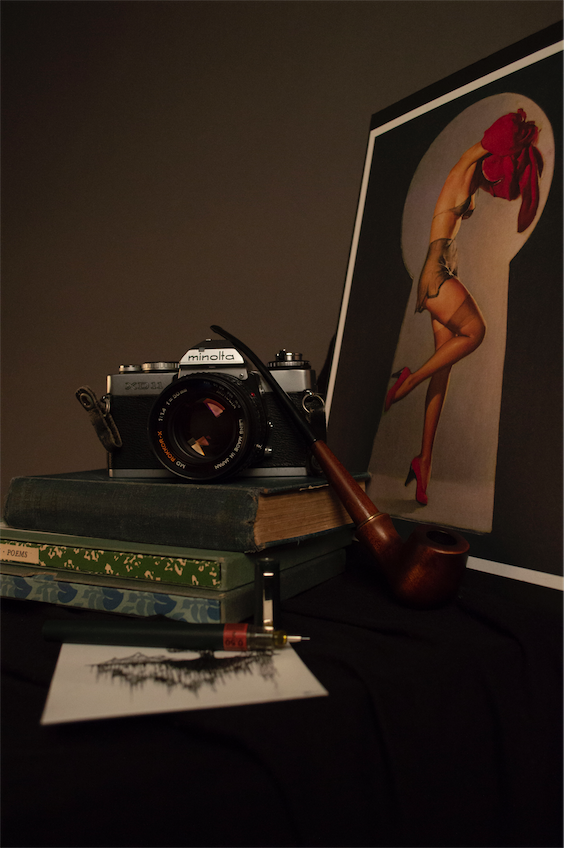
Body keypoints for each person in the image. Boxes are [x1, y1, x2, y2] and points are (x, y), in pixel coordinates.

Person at [385, 109, 543, 506]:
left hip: (443, 269)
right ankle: (408, 380)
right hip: (437, 272)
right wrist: (504, 141)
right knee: (476, 332)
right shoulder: (462, 169)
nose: (495, 186)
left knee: (444, 368)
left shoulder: (471, 184)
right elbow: (481, 148)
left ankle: (424, 460)